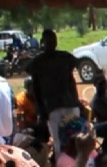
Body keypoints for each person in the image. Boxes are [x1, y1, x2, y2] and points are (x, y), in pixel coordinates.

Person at [26, 29, 81, 159]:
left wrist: (41, 112)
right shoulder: (65, 57)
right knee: (73, 140)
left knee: (60, 142)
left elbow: (36, 89)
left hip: (56, 107)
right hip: (65, 106)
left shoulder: (38, 62)